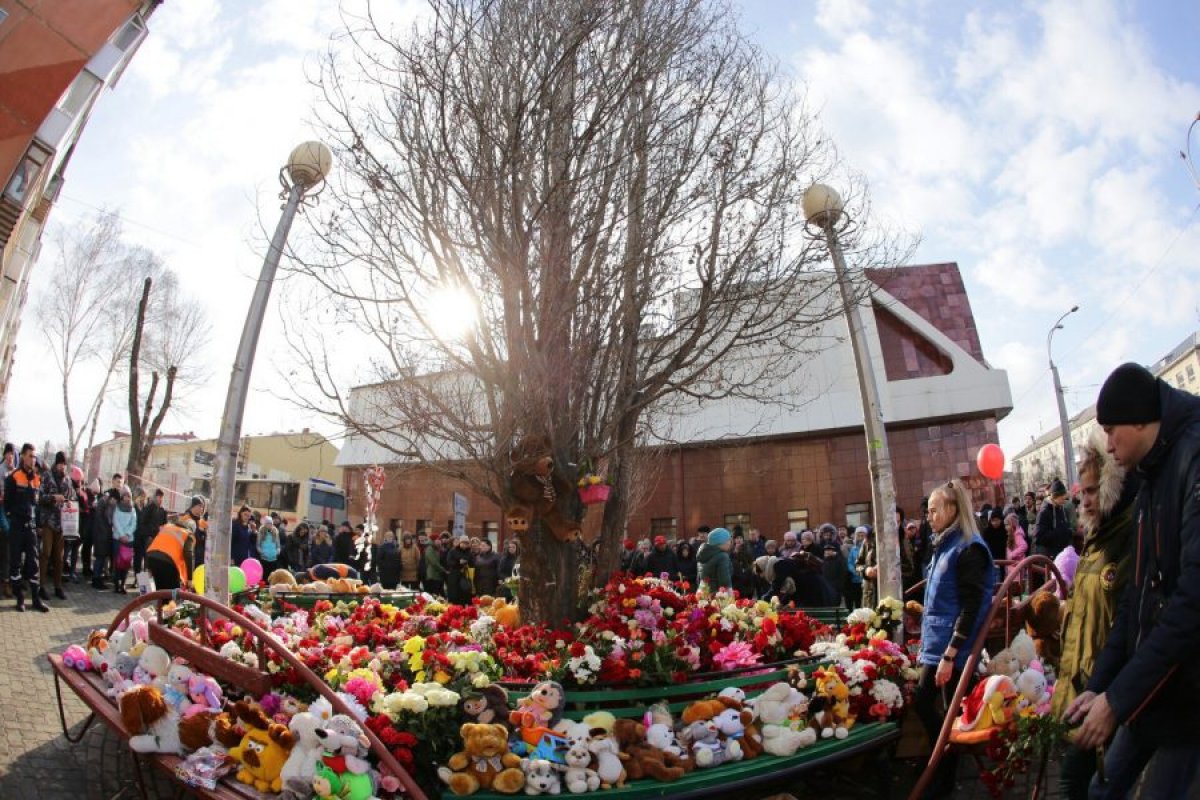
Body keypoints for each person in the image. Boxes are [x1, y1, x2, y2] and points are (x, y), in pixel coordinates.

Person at [1066, 363, 1200, 798]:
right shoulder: (1149, 477)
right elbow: (1136, 600)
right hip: (1153, 688)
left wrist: (1118, 700)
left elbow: (1190, 601)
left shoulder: (1192, 457)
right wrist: (1102, 688)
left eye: (1111, 430)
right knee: (1099, 792)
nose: (1108, 445)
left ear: (1140, 418)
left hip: (1189, 697)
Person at [1052, 433, 1139, 800]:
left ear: (1111, 488)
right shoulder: (1094, 541)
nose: (1084, 501)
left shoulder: (1128, 539)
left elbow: (1128, 625)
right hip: (1084, 687)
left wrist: (1108, 691)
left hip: (1111, 692)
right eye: (1082, 493)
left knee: (1077, 781)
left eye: (1092, 491)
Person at [914, 479, 995, 798]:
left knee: (947, 716)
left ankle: (943, 780)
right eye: (928, 511)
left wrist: (951, 653)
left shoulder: (968, 548)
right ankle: (941, 763)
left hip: (952, 649)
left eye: (934, 510)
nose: (929, 517)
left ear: (951, 509)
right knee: (924, 703)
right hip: (936, 644)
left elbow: (972, 604)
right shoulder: (944, 543)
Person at [6, 444, 49, 612]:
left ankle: (36, 599)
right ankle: (20, 599)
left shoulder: (37, 479)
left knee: (33, 563)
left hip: (31, 528)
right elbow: (7, 505)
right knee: (15, 564)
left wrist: (37, 524)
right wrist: (14, 520)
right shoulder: (13, 477)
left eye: (34, 456)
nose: (33, 459)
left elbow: (36, 505)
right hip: (17, 527)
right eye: (30, 456)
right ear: (22, 456)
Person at [37, 451, 74, 600]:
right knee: (45, 553)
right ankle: (41, 586)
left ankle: (58, 587)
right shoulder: (46, 476)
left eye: (63, 464)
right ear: (55, 464)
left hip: (62, 523)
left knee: (59, 557)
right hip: (48, 521)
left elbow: (71, 497)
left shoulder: (68, 480)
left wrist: (70, 502)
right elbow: (39, 497)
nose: (61, 467)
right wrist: (53, 497)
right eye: (59, 464)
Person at [145, 519, 196, 592]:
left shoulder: (167, 527)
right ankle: (168, 603)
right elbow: (188, 554)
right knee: (172, 593)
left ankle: (161, 602)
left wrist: (147, 566)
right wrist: (190, 579)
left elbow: (152, 542)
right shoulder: (188, 534)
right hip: (168, 563)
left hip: (151, 557)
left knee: (160, 590)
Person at [109, 487, 137, 594]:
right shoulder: (117, 508)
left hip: (129, 540)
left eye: (129, 496)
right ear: (122, 497)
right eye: (125, 496)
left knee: (126, 563)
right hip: (118, 539)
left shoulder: (132, 509)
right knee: (117, 562)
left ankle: (123, 584)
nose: (127, 498)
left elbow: (134, 523)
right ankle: (116, 584)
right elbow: (115, 521)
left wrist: (127, 534)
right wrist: (121, 534)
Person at [135, 489, 167, 581]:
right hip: (148, 538)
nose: (160, 499)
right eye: (159, 497)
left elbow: (164, 524)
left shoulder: (163, 510)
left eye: (162, 497)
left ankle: (151, 582)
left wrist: (162, 529)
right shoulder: (149, 508)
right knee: (146, 561)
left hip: (158, 539)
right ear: (155, 497)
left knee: (155, 562)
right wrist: (149, 533)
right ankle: (143, 583)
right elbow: (142, 523)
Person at [444, 534, 474, 604]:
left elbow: (472, 563)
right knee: (454, 596)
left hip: (465, 576)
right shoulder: (453, 551)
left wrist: (467, 563)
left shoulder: (469, 552)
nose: (464, 545)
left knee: (464, 595)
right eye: (463, 543)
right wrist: (458, 562)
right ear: (460, 543)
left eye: (466, 543)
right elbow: (449, 562)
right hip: (454, 577)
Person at [854, 526, 878, 609]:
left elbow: (909, 567)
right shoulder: (868, 540)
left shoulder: (900, 538)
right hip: (869, 592)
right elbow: (858, 564)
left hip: (892, 592)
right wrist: (866, 570)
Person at [1003, 513, 1028, 580]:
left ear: (1013, 525)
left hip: (1017, 567)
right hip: (1012, 567)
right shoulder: (1012, 535)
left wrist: (1012, 555)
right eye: (1005, 525)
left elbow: (1024, 546)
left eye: (1007, 525)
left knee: (1016, 587)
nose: (1006, 527)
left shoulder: (1017, 535)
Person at [846, 528, 865, 608]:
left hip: (866, 578)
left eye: (862, 535)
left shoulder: (869, 547)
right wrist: (854, 571)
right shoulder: (853, 549)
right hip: (855, 579)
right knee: (857, 601)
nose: (860, 537)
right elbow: (849, 562)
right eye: (858, 535)